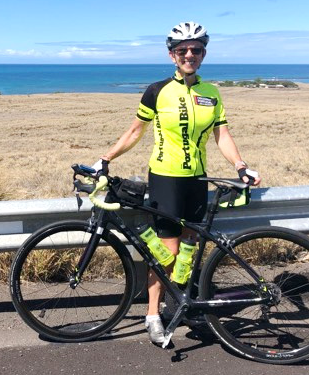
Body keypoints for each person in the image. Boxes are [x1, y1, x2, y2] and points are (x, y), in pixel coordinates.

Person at [93, 21, 261, 345]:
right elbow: (135, 132)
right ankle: (152, 314)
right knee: (166, 252)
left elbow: (222, 135)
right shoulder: (157, 91)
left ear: (203, 54)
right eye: (182, 50)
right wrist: (106, 158)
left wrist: (241, 165)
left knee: (189, 250)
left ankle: (179, 306)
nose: (189, 55)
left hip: (197, 181)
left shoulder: (211, 93)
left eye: (195, 50)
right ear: (171, 55)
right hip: (166, 180)